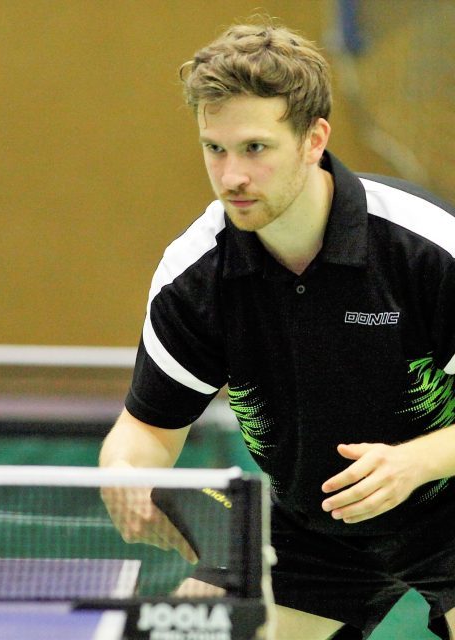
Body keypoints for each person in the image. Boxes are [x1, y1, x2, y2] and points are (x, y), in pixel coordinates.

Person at [99, 18, 455, 640]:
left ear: (314, 139)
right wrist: (128, 475)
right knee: (184, 633)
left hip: (446, 500)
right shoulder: (196, 276)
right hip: (311, 529)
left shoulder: (425, 248)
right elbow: (146, 430)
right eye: (215, 149)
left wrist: (415, 462)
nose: (231, 176)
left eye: (255, 148)